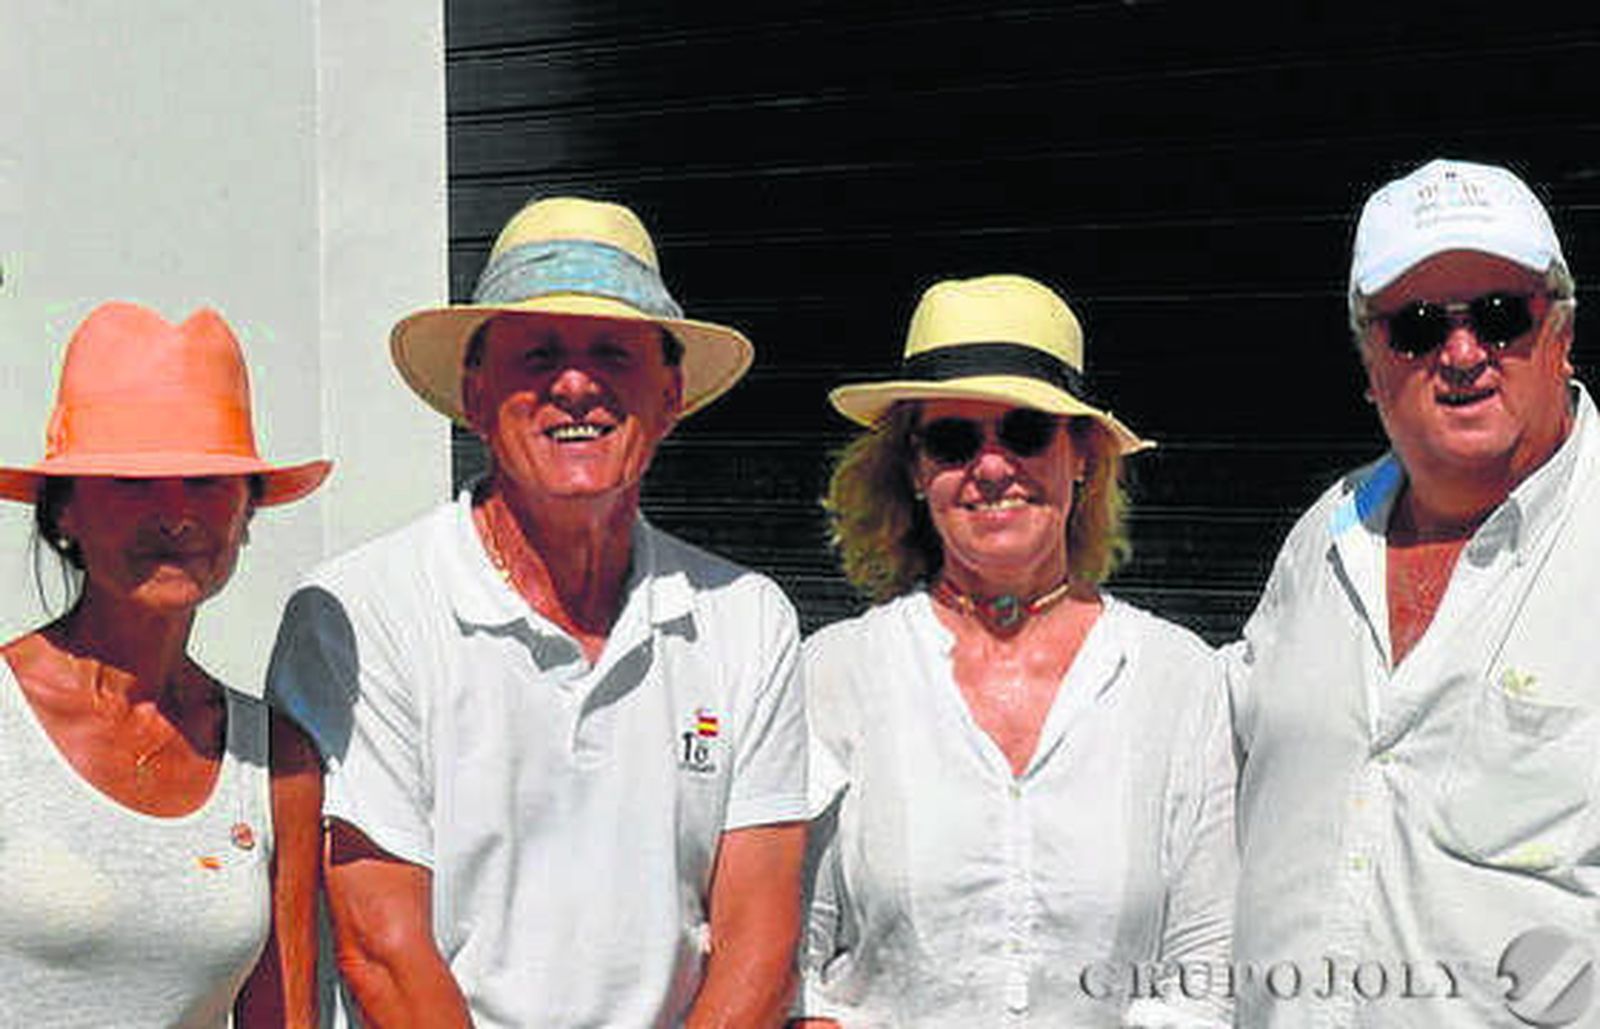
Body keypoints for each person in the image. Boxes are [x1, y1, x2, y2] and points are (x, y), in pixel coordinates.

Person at [267, 196, 808, 1027]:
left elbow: (760, 946)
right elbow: (382, 949)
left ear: (670, 395)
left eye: (612, 353)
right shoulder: (361, 613)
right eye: (539, 353)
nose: (576, 385)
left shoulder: (748, 618)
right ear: (475, 394)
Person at [794, 274, 1236, 1027]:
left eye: (1027, 431)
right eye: (953, 440)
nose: (993, 467)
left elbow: (1205, 972)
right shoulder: (835, 673)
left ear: (1082, 455)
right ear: (915, 468)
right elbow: (790, 961)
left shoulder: (1177, 677)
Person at [1229, 157, 1595, 1026]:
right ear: (1369, 361)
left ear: (1562, 333)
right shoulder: (1326, 536)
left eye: (1501, 316)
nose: (1462, 355)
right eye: (1418, 327)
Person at [0, 301, 328, 1026]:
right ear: (64, 512)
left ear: (246, 514)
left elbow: (284, 1016)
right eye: (132, 482)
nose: (176, 515)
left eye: (205, 481)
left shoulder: (275, 762)